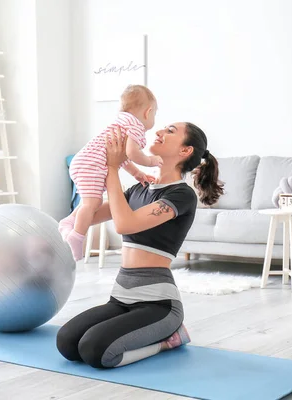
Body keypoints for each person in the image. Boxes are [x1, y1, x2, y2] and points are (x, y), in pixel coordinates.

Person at [56, 121, 224, 369]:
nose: (159, 132)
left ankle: (169, 340)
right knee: (67, 342)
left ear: (185, 151)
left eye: (170, 131)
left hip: (158, 305)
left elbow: (125, 224)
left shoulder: (181, 195)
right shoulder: (139, 188)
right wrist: (94, 168)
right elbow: (90, 215)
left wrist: (113, 168)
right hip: (120, 299)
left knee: (95, 351)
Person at [59, 85, 162, 261]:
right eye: (155, 114)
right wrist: (150, 161)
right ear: (148, 112)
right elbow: (131, 153)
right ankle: (76, 237)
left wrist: (137, 174)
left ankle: (68, 223)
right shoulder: (136, 127)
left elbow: (122, 156)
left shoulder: (122, 122)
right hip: (89, 165)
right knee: (93, 203)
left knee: (91, 201)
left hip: (84, 162)